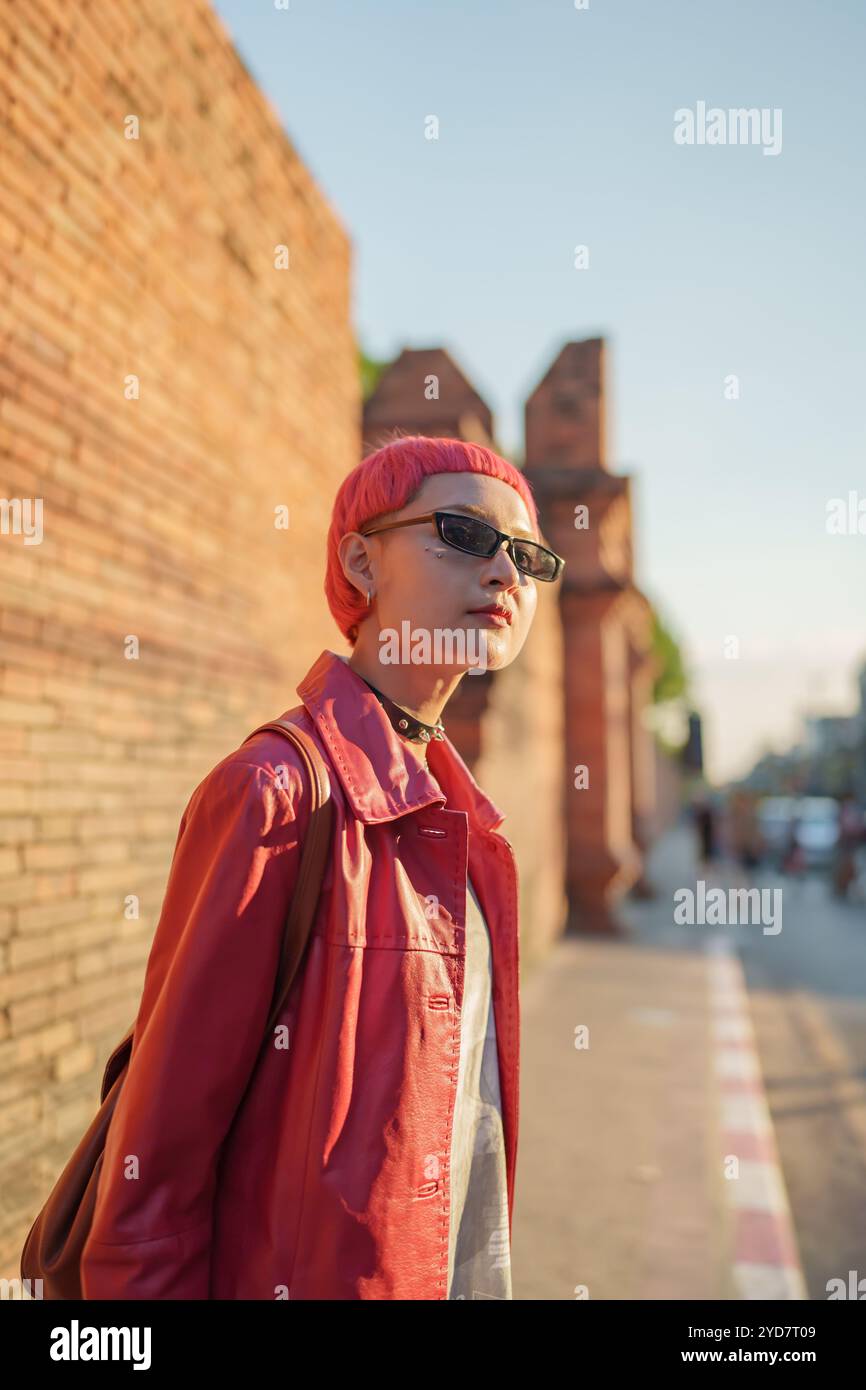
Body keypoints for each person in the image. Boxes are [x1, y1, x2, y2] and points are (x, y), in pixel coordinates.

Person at [79, 434, 565, 1300]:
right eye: (463, 533)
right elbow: (156, 1157)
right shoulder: (272, 793)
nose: (505, 575)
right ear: (360, 562)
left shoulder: (474, 830)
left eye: (526, 555)